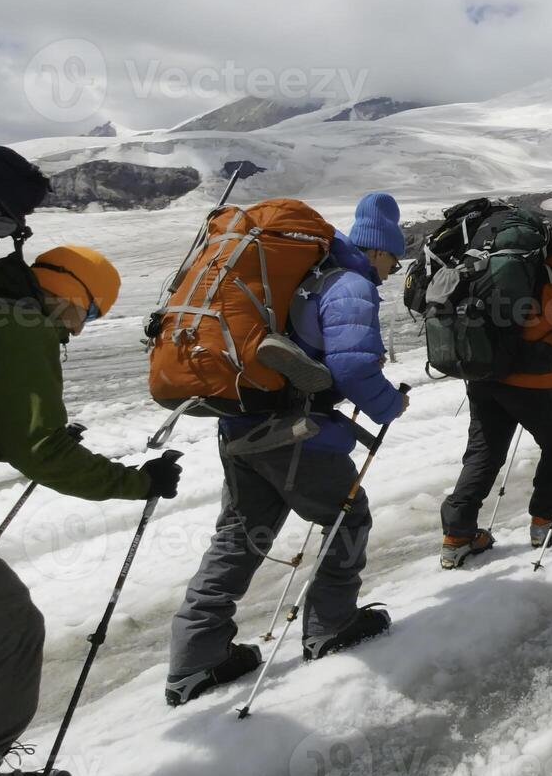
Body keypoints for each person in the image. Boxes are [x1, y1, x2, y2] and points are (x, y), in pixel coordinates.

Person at [0, 246, 183, 776]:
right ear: (68, 293)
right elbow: (44, 455)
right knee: (9, 631)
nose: (78, 329)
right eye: (89, 314)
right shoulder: (22, 327)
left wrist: (23, 422)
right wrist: (138, 481)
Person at [165, 193, 408, 706]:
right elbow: (353, 368)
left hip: (239, 422)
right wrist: (389, 406)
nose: (392, 269)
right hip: (293, 433)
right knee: (348, 517)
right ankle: (331, 626)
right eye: (394, 257)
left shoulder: (305, 274)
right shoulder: (351, 283)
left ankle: (195, 660)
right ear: (379, 249)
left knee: (239, 534)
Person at [437, 236, 552, 567]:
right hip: (532, 384)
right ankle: (544, 521)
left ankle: (457, 536)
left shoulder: (522, 271)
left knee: (485, 454)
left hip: (483, 377)